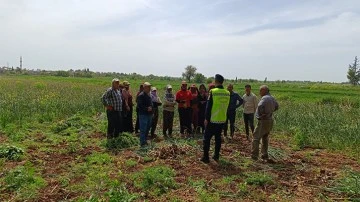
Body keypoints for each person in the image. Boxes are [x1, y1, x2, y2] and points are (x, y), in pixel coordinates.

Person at [201, 74, 230, 163]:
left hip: (212, 120)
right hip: (222, 119)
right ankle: (216, 156)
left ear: (216, 81)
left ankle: (206, 158)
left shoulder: (213, 91)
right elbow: (227, 107)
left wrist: (206, 118)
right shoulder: (227, 93)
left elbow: (208, 107)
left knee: (206, 139)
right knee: (218, 139)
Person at [251, 85, 279, 161]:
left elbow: (260, 106)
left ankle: (254, 155)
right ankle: (264, 154)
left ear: (264, 90)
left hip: (263, 121)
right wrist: (270, 112)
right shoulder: (272, 97)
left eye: (260, 90)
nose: (259, 92)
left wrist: (261, 114)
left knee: (256, 138)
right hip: (270, 120)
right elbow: (277, 106)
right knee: (265, 137)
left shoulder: (265, 98)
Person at [137, 82, 153, 146]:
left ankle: (145, 140)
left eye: (150, 87)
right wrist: (147, 108)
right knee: (143, 129)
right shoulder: (141, 95)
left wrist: (151, 108)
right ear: (144, 88)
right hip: (143, 114)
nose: (149, 88)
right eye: (148, 87)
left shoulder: (148, 95)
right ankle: (142, 142)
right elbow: (139, 106)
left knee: (147, 128)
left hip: (149, 114)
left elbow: (151, 103)